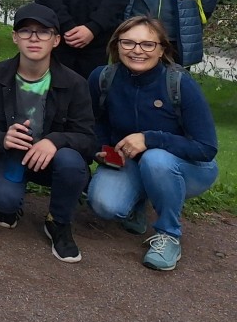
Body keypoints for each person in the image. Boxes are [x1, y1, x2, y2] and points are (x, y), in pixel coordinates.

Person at [87, 16, 219, 271]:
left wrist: (151, 139)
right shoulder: (102, 78)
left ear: (161, 50)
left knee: (155, 158)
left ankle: (169, 235)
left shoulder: (179, 83)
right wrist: (102, 150)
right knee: (104, 204)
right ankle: (138, 202)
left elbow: (206, 148)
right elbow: (95, 122)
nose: (137, 50)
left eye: (148, 44)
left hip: (189, 167)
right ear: (116, 46)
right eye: (128, 42)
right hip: (130, 162)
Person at [0, 3, 93, 263]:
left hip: (53, 161)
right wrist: (2, 138)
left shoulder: (75, 83)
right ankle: (11, 204)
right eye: (26, 31)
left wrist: (54, 141)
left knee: (71, 162)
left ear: (56, 40)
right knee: (4, 205)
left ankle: (58, 222)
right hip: (11, 155)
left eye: (44, 31)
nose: (34, 38)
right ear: (15, 37)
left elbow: (87, 137)